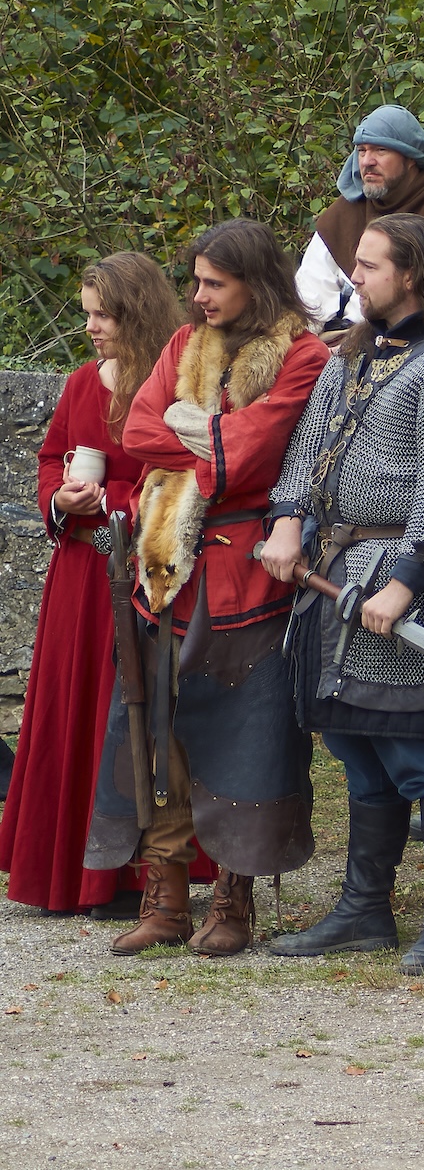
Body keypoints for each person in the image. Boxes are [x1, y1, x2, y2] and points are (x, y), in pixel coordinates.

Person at [261, 213, 424, 976]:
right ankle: (365, 911)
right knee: (359, 748)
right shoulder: (355, 353)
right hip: (336, 575)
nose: (354, 277)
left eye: (368, 266)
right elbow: (306, 452)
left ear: (414, 274)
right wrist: (288, 523)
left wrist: (406, 580)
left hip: (411, 578)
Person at [85, 221, 331, 956]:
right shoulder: (181, 345)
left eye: (214, 283)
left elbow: (253, 455)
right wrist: (214, 433)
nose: (198, 296)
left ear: (257, 282)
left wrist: (202, 434)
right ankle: (165, 898)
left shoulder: (303, 356)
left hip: (248, 575)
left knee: (243, 734)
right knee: (155, 728)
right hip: (165, 564)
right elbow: (138, 432)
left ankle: (232, 897)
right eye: (195, 281)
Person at [0, 253, 187, 915]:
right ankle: (68, 867)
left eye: (103, 315)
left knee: (130, 711)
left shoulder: (171, 385)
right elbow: (52, 456)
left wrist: (109, 500)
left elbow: (180, 476)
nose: (91, 327)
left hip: (139, 576)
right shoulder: (82, 382)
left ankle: (131, 876)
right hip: (78, 578)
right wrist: (59, 498)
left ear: (135, 313)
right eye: (86, 314)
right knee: (73, 710)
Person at [295, 105, 424, 329]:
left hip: (421, 343)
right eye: (362, 150)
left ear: (411, 157)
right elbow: (309, 298)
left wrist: (365, 340)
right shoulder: (346, 211)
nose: (367, 161)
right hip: (334, 341)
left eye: (380, 150)